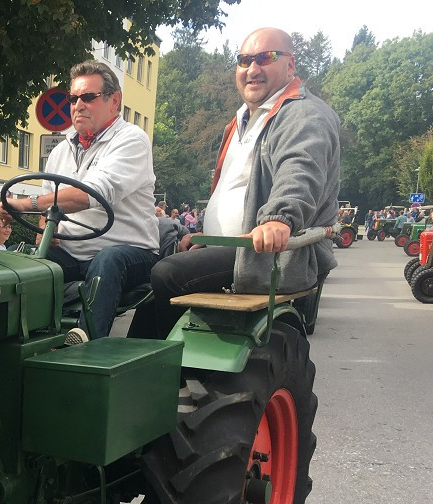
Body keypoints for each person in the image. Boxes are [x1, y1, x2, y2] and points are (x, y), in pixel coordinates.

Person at [146, 28, 340, 339]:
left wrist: (280, 218)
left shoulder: (303, 115)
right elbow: (232, 189)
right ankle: (126, 371)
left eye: (266, 58)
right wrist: (207, 237)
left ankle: (170, 373)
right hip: (235, 249)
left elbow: (300, 169)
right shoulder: (243, 120)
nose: (252, 69)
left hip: (268, 257)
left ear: (290, 65)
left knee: (168, 274)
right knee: (148, 278)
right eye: (244, 60)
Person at [6, 60, 159, 339]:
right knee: (24, 261)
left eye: (88, 97)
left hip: (131, 253)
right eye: (73, 98)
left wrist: (25, 205)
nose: (78, 105)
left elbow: (89, 195)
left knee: (108, 260)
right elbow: (49, 209)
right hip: (72, 252)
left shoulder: (131, 140)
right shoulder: (61, 151)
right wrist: (45, 230)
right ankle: (16, 340)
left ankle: (85, 345)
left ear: (114, 101)